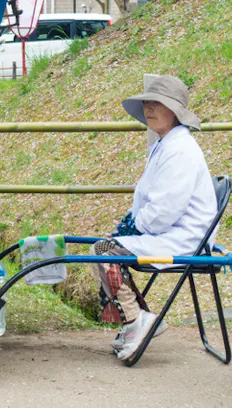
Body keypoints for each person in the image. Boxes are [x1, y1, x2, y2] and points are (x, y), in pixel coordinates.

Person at [93, 75, 217, 361]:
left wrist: (134, 228)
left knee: (103, 251)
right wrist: (131, 224)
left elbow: (163, 212)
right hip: (169, 232)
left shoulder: (180, 150)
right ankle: (137, 319)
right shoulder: (165, 145)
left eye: (156, 104)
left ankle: (136, 321)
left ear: (173, 111)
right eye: (147, 103)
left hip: (183, 238)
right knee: (105, 247)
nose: (149, 109)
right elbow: (149, 203)